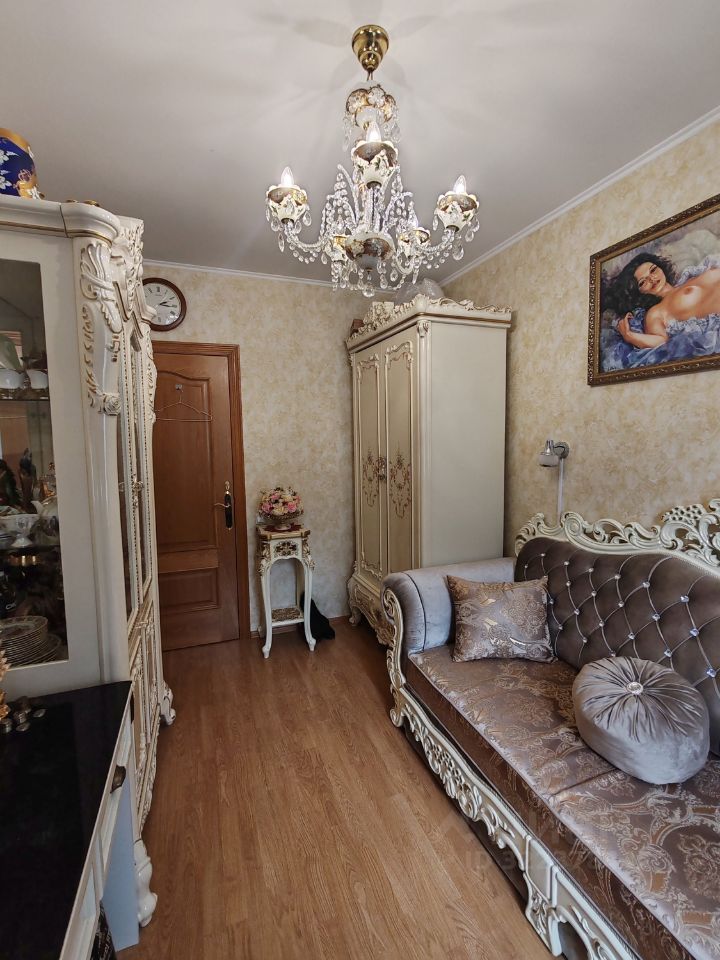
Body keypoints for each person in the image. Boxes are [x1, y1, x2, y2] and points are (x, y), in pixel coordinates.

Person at [614, 252, 720, 348]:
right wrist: (629, 336)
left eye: (653, 270)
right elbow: (661, 341)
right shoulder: (655, 312)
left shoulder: (690, 276)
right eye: (643, 282)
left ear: (661, 267)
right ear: (638, 292)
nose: (652, 279)